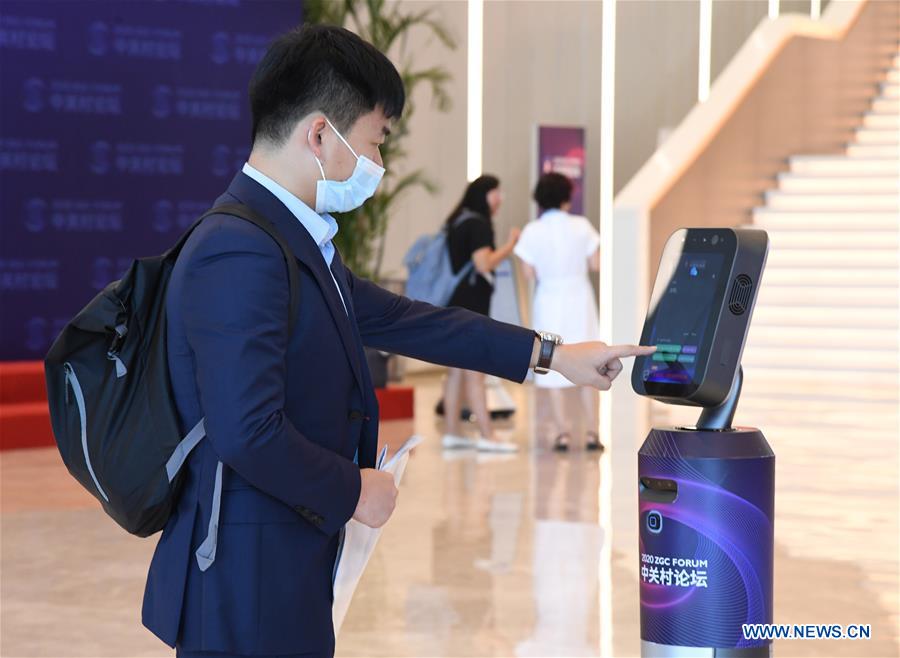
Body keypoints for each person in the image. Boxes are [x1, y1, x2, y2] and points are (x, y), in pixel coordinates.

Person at [141, 24, 654, 658]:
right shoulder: (239, 250)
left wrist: (553, 357)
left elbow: (411, 321)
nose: (378, 165)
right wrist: (355, 489)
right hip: (244, 573)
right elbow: (247, 430)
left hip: (280, 554)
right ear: (321, 134)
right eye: (375, 142)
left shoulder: (287, 240)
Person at [514, 173, 603, 452]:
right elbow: (595, 264)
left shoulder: (531, 231)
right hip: (579, 298)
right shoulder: (582, 226)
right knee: (590, 360)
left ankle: (562, 433)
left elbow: (528, 273)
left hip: (549, 299)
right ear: (567, 196)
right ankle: (592, 432)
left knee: (550, 361)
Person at [441, 176, 522, 452]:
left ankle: (452, 431)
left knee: (455, 371)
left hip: (454, 302)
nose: (500, 198)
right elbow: (483, 263)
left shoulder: (458, 220)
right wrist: (509, 246)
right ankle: (487, 435)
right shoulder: (478, 224)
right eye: (495, 192)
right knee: (474, 370)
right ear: (483, 194)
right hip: (471, 304)